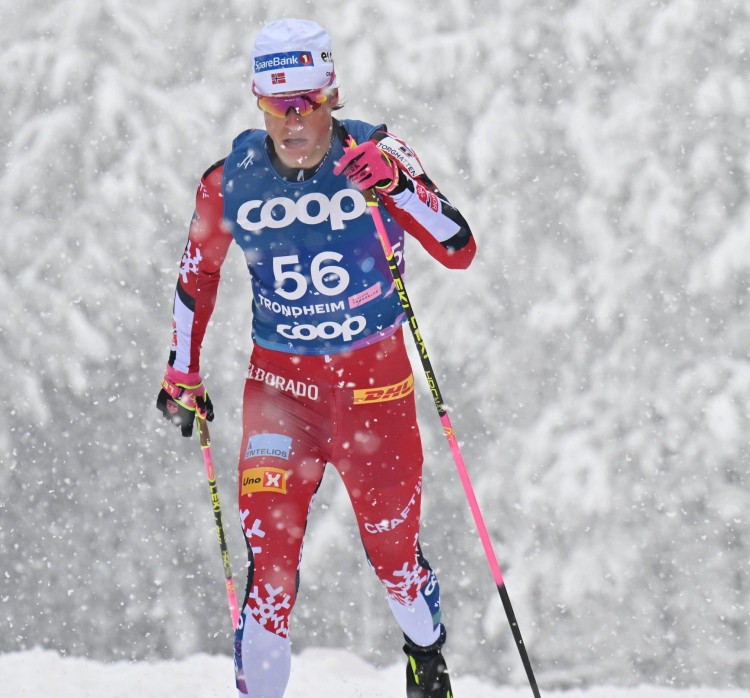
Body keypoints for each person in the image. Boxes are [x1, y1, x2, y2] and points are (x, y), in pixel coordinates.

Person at [154, 18, 475, 698]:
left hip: (375, 390)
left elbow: (458, 247)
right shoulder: (229, 180)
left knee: (392, 556)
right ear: (258, 102)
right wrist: (181, 369)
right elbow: (196, 273)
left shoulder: (377, 151)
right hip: (281, 391)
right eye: (279, 105)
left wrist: (397, 187)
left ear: (332, 94)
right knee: (269, 564)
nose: (295, 121)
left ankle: (426, 653)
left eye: (309, 103)